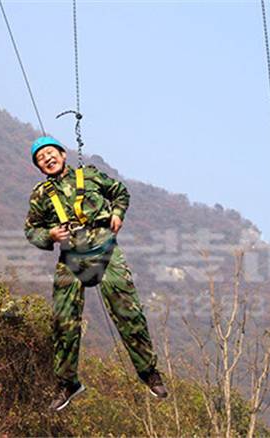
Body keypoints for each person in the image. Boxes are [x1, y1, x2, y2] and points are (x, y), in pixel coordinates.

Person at [24, 136, 168, 411]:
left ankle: (148, 371)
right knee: (63, 321)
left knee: (128, 311)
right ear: (39, 167)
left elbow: (120, 191)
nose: (48, 159)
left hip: (105, 248)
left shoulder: (88, 175)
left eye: (51, 153)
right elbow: (31, 230)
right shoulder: (40, 195)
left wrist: (117, 213)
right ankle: (67, 382)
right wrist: (50, 235)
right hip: (71, 257)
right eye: (41, 159)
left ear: (63, 154)